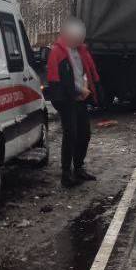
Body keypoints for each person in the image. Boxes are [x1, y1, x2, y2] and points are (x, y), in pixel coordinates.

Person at [45, 17, 100, 188]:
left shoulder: (81, 51)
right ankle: (66, 174)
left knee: (84, 133)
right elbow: (60, 79)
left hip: (80, 98)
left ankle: (78, 167)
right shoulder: (58, 52)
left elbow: (85, 72)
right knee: (71, 134)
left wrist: (86, 87)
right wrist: (79, 90)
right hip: (66, 99)